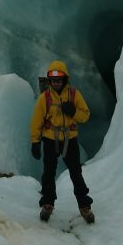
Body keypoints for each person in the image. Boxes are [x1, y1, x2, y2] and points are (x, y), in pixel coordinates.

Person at [30, 60, 94, 223]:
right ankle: (47, 203)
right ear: (49, 81)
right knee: (49, 173)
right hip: (50, 140)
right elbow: (36, 121)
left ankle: (84, 205)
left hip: (69, 140)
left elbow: (85, 115)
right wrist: (35, 142)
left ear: (65, 79)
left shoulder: (74, 95)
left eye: (59, 80)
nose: (56, 83)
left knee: (76, 173)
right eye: (53, 80)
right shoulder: (45, 98)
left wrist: (73, 111)